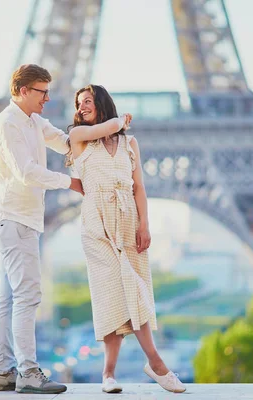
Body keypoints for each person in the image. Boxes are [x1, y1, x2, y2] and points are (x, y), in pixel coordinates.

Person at [67, 85, 186, 393]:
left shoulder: (130, 143)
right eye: (79, 104)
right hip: (97, 224)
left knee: (132, 291)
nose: (81, 108)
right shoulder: (78, 138)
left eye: (88, 101)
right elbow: (107, 127)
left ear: (102, 103)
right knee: (112, 292)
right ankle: (155, 364)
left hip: (128, 220)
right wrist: (120, 121)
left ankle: (110, 374)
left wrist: (145, 225)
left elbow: (139, 188)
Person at [0, 64, 83, 394]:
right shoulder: (8, 124)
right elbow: (26, 172)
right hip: (15, 219)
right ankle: (27, 372)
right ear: (23, 90)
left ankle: (3, 371)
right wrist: (70, 182)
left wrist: (88, 140)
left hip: (17, 218)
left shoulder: (30, 120)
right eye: (42, 91)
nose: (47, 98)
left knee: (8, 298)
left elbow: (59, 138)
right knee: (28, 295)